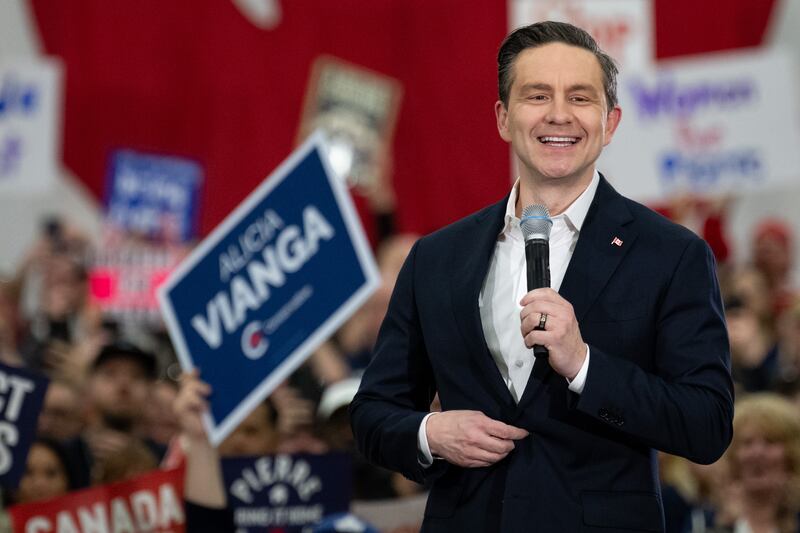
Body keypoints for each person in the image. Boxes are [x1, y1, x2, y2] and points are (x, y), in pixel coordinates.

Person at [350, 21, 734, 532]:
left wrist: (584, 364)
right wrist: (430, 433)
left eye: (580, 97)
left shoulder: (672, 255)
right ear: (503, 118)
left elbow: (707, 425)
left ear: (610, 122)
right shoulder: (436, 257)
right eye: (537, 95)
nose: (558, 114)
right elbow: (374, 412)